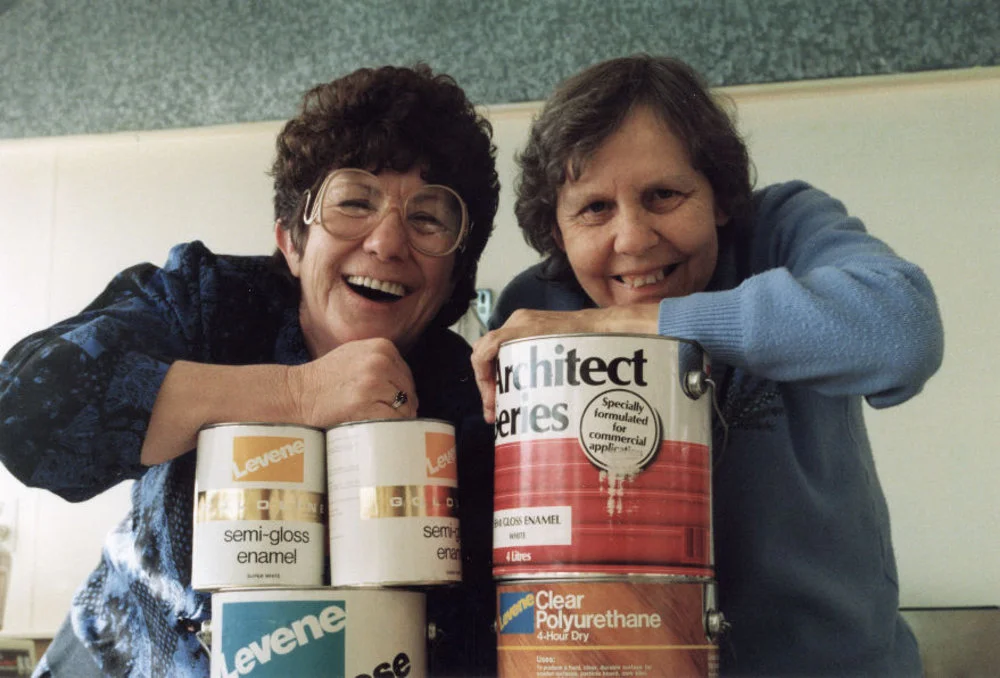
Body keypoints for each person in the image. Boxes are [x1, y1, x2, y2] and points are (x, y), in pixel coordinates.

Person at [0, 64, 499, 677]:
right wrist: (296, 392)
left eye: (427, 218)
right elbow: (24, 413)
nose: (388, 242)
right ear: (292, 238)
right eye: (353, 202)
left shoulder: (475, 402)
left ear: (457, 270)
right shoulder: (208, 303)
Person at [471, 54, 943, 676]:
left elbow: (902, 331)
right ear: (557, 230)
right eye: (594, 209)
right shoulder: (537, 310)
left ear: (720, 196)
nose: (633, 238)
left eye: (663, 195)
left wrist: (641, 321)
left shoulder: (785, 231)